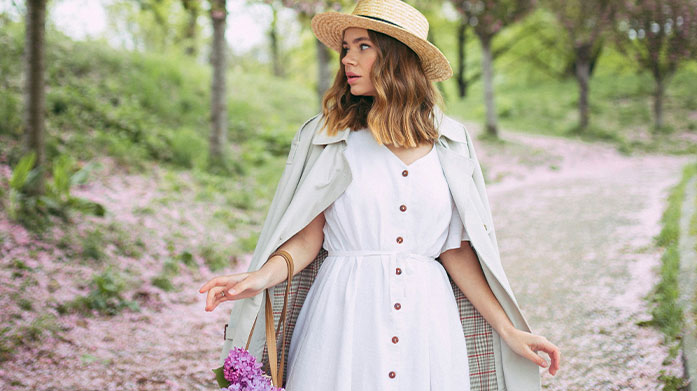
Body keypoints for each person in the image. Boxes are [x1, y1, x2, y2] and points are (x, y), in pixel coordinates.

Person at [199, 0, 561, 390]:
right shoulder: (329, 138)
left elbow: (455, 249)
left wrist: (509, 331)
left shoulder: (453, 142)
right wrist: (259, 278)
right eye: (345, 48)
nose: (347, 60)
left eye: (363, 46)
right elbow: (308, 237)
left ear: (397, 57)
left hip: (428, 325)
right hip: (342, 319)